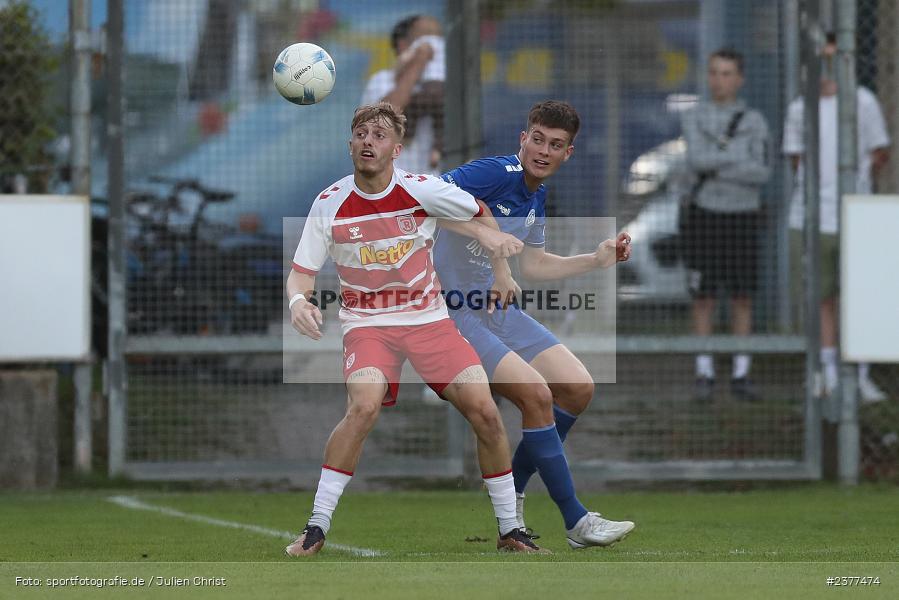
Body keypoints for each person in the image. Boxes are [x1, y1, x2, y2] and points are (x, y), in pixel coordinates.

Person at [284, 102, 543, 556]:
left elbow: (479, 213)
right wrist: (297, 302)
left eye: (379, 135)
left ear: (396, 149)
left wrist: (499, 265)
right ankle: (315, 527)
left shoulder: (421, 189)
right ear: (350, 144)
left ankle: (511, 531)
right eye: (361, 133)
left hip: (428, 323)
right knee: (363, 407)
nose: (368, 141)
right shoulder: (330, 202)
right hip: (369, 326)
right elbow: (301, 273)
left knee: (485, 410)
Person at [433, 100, 636, 549]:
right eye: (538, 139)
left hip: (496, 307)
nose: (544, 150)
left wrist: (596, 260)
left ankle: (515, 494)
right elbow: (424, 200)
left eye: (556, 144)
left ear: (569, 153)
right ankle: (577, 521)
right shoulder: (497, 171)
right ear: (523, 138)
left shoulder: (536, 193)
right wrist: (490, 243)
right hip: (452, 311)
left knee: (578, 387)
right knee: (538, 395)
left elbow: (537, 266)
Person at [783, 33, 891, 404]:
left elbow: (880, 152)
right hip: (811, 217)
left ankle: (858, 376)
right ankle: (825, 374)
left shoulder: (863, 101)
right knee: (820, 298)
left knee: (858, 299)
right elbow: (796, 158)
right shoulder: (800, 107)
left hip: (855, 217)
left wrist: (856, 180)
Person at [680, 48, 772, 402]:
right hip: (705, 215)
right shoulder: (695, 117)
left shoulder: (755, 120)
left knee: (741, 296)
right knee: (703, 297)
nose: (720, 80)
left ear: (740, 78)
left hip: (743, 216)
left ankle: (741, 372)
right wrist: (736, 159)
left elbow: (761, 172)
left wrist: (716, 163)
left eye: (727, 73)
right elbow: (695, 160)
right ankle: (704, 373)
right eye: (715, 72)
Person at [360, 14, 444, 175]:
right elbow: (384, 117)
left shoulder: (445, 81)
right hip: (390, 183)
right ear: (403, 45)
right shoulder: (382, 80)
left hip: (433, 182)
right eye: (426, 38)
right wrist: (419, 61)